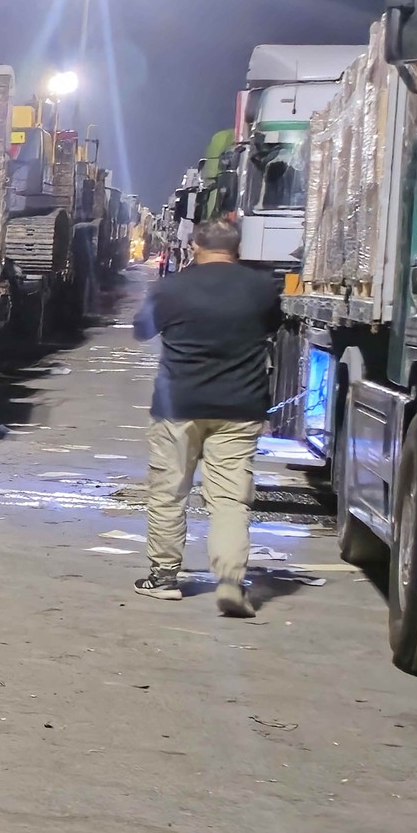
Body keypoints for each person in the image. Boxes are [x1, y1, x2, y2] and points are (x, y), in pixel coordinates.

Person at [133, 213, 285, 615]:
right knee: (231, 499)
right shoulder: (262, 288)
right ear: (238, 250)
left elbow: (141, 330)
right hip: (240, 406)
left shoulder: (173, 287)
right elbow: (273, 326)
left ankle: (164, 578)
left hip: (178, 406)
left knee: (169, 492)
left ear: (195, 246)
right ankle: (231, 580)